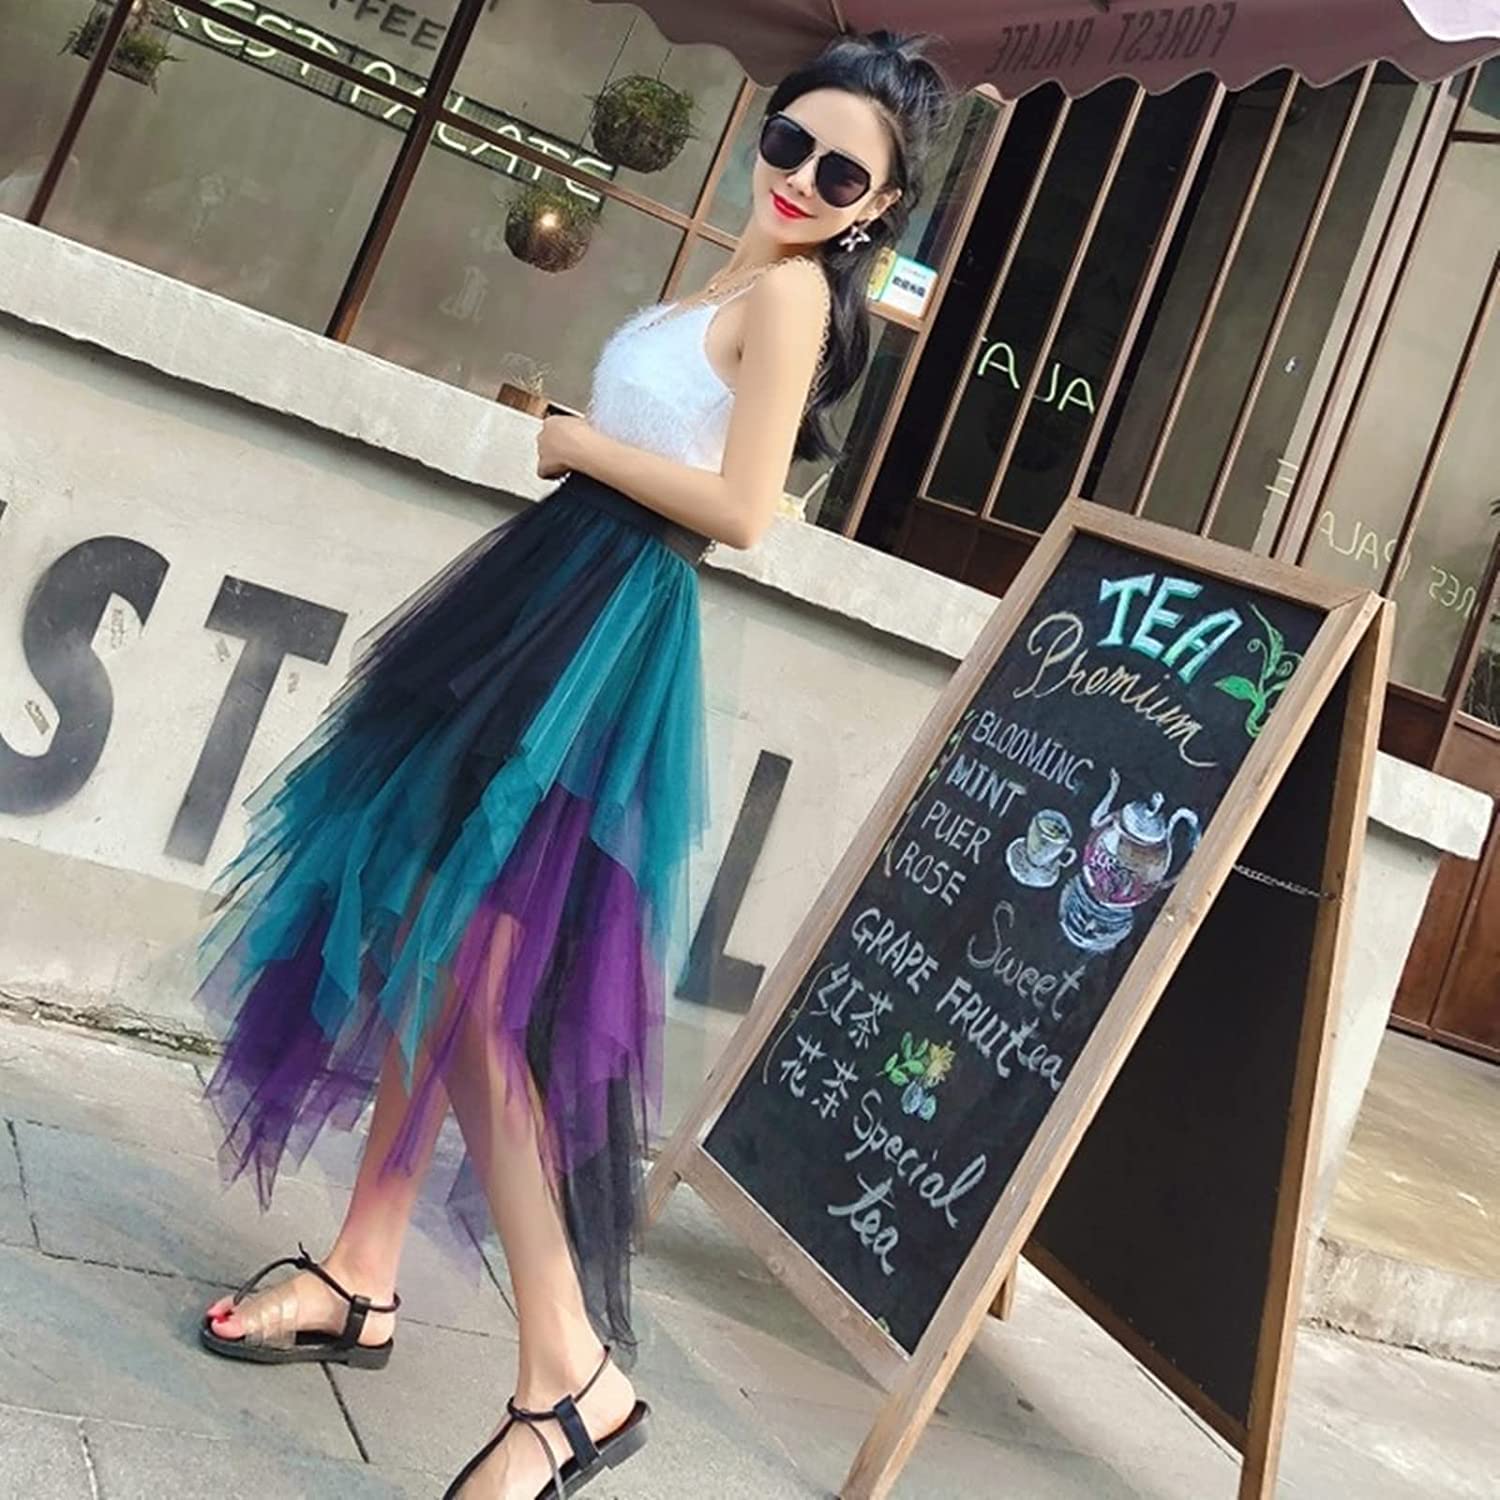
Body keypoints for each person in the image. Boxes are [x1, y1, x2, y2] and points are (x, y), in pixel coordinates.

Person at [193, 30, 951, 1500]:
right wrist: (582, 447)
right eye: (789, 143)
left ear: (877, 209)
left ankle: (572, 1374)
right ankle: (363, 1271)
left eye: (841, 173)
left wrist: (572, 445)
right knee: (426, 941)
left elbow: (747, 512)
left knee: (477, 987)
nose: (802, 179)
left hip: (600, 632)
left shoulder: (794, 295)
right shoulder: (729, 281)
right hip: (551, 604)